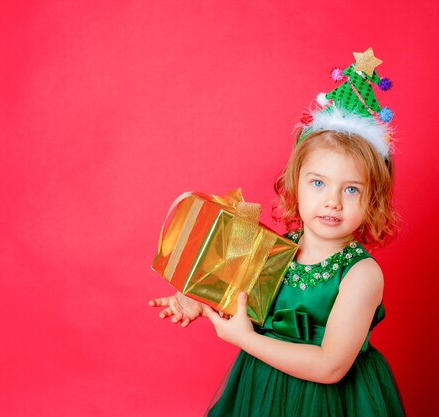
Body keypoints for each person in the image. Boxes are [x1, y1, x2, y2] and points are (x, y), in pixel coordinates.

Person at [150, 48, 405, 416]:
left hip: (332, 403)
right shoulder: (275, 247)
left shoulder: (362, 275)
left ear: (372, 201)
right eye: (318, 183)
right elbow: (235, 300)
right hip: (263, 389)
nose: (332, 201)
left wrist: (245, 340)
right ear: (294, 186)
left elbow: (330, 366)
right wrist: (200, 304)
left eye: (351, 190)